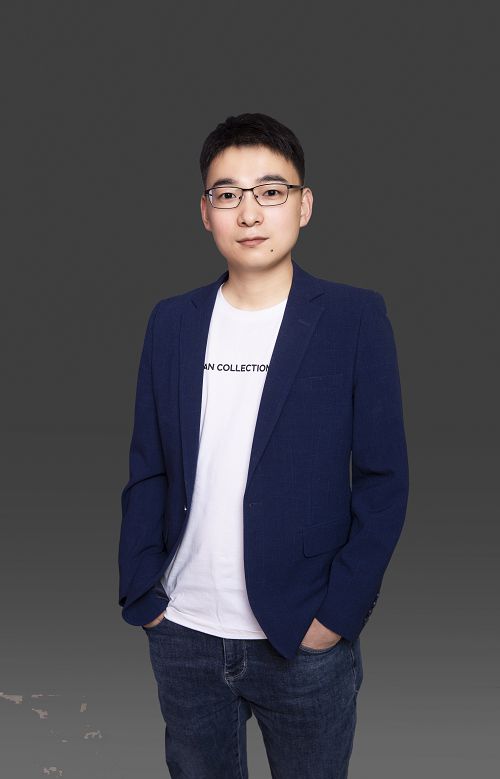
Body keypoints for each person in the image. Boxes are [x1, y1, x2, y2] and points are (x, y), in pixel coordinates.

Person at [118, 112, 409, 778]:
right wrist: (144, 593)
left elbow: (384, 479)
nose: (249, 212)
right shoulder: (172, 321)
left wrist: (336, 616)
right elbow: (148, 465)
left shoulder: (354, 318)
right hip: (184, 629)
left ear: (303, 205)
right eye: (228, 194)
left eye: (271, 191)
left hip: (302, 634)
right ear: (206, 212)